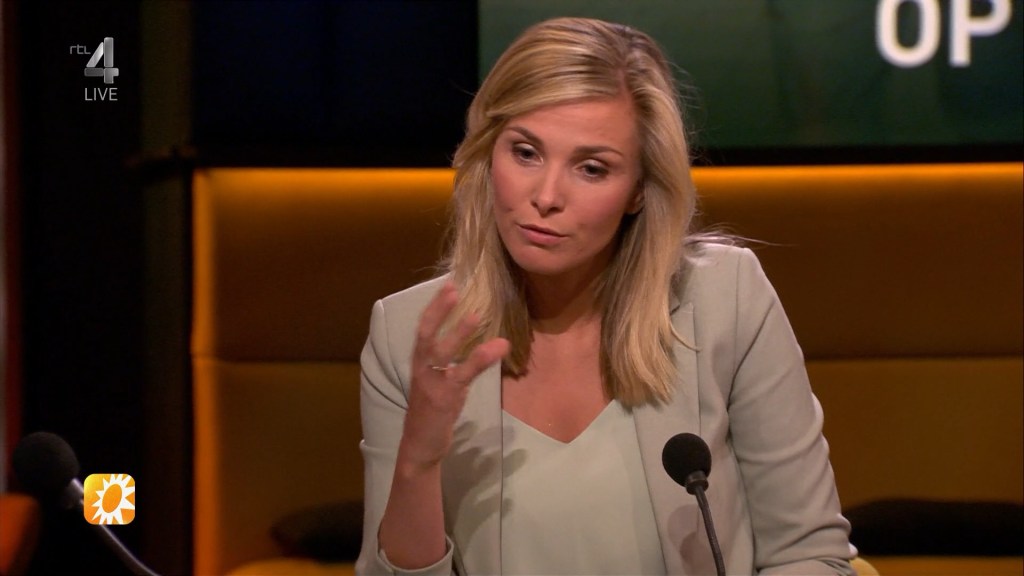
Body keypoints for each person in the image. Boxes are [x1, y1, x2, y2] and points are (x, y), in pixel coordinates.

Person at [356, 16, 856, 575]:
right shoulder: (407, 335)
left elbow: (810, 555)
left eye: (591, 168)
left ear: (639, 190)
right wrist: (418, 462)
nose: (547, 196)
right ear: (487, 155)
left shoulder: (726, 300)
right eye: (525, 152)